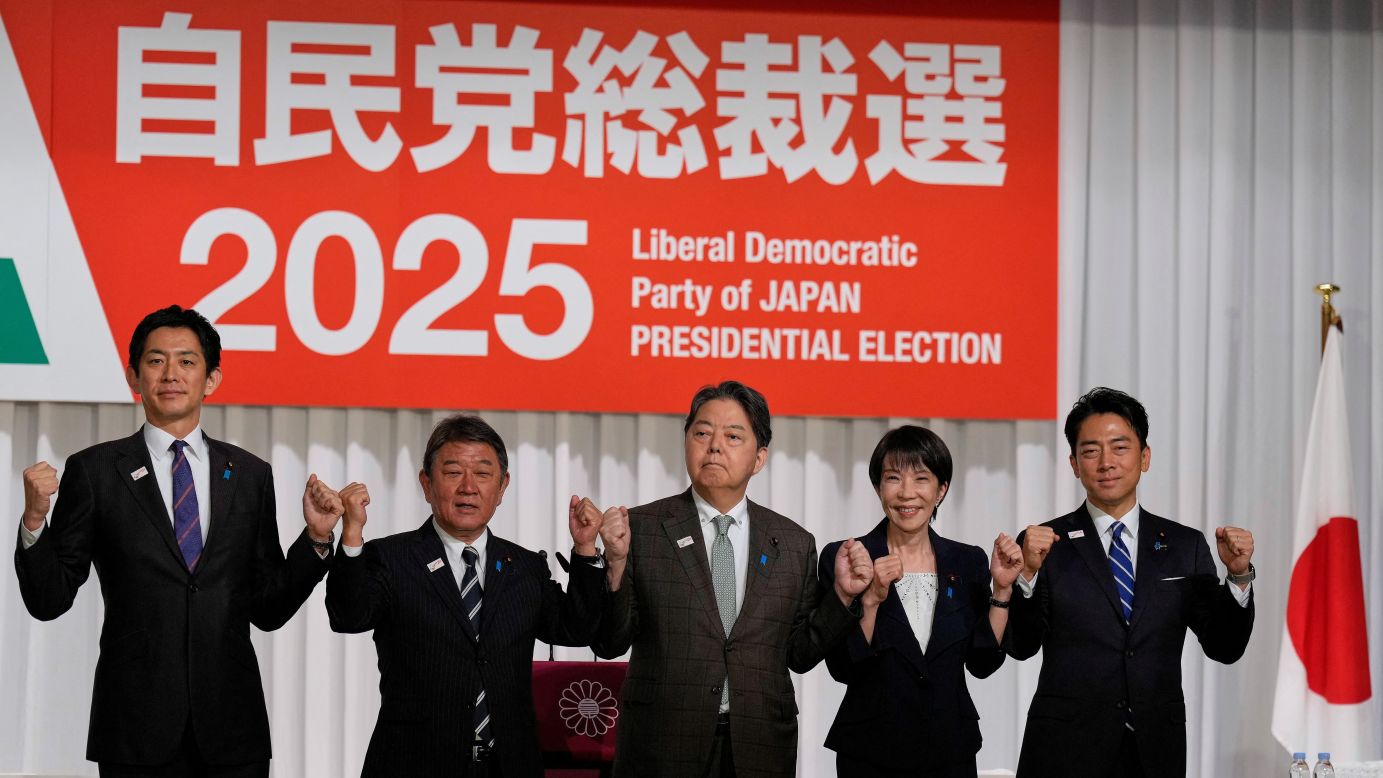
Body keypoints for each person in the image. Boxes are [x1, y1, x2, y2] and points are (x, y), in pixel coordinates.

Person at [14, 305, 337, 777]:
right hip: (134, 730)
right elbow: (48, 598)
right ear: (134, 375)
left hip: (232, 730)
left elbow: (267, 609)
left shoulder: (249, 475)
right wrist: (34, 521)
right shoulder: (96, 471)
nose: (171, 374)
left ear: (211, 379)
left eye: (187, 361)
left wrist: (316, 539)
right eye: (155, 360)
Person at [592, 380, 875, 777]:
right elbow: (610, 641)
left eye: (732, 436)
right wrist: (616, 564)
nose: (714, 446)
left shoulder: (793, 543)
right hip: (662, 743)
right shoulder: (642, 528)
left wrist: (842, 598)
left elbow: (800, 654)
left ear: (759, 458)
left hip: (759, 744)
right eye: (702, 432)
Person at [324, 414, 606, 777]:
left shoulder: (523, 566)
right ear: (426, 484)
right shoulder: (391, 558)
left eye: (483, 474)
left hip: (510, 765)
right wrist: (351, 536)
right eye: (453, 472)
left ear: (502, 487)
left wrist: (585, 549)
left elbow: (575, 629)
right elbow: (348, 616)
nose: (468, 487)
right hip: (413, 764)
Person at [1006, 387, 1256, 777]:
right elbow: (1021, 646)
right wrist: (1026, 576)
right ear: (1074, 463)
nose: (1106, 462)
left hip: (1154, 749)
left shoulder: (1184, 545)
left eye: (1120, 447)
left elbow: (1224, 646)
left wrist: (1238, 575)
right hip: (1064, 751)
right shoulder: (1043, 543)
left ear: (1145, 456)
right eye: (1091, 450)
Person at [818, 425, 1023, 776]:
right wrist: (868, 602)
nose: (906, 493)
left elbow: (982, 663)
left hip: (950, 747)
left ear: (941, 490)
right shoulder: (846, 557)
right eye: (893, 478)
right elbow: (844, 669)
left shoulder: (968, 561)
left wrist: (1002, 591)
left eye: (922, 479)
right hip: (870, 750)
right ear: (878, 487)